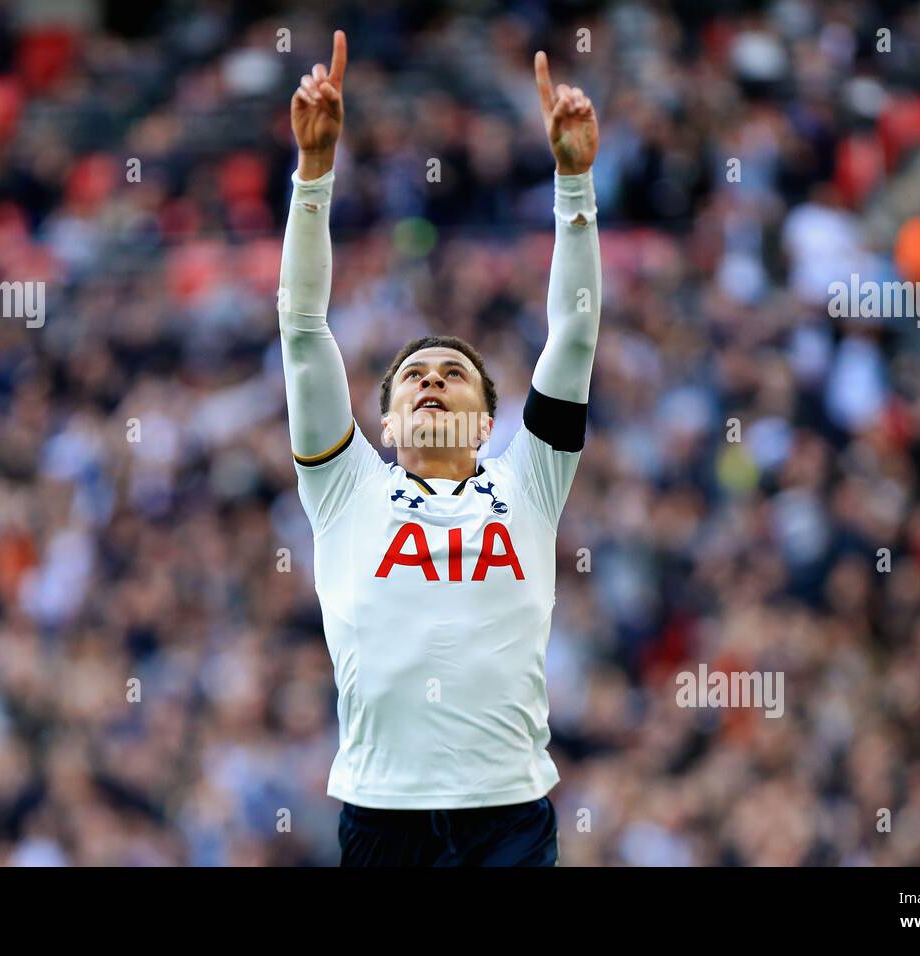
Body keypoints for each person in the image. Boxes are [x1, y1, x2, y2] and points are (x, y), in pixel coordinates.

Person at [278, 30, 601, 866]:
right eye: (411, 375)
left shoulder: (530, 480)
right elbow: (304, 331)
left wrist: (575, 183)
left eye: (452, 373)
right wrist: (313, 176)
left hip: (510, 814)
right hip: (382, 816)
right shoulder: (345, 488)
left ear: (490, 422)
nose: (429, 380)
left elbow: (573, 333)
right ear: (382, 424)